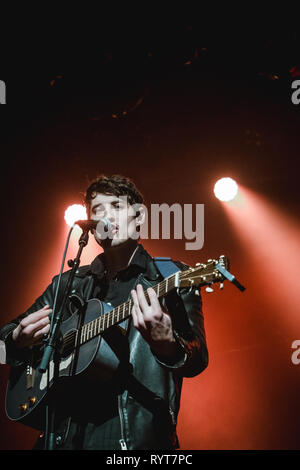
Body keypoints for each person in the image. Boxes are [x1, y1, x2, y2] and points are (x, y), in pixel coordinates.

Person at [0, 174, 208, 450]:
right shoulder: (68, 283)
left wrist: (167, 344)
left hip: (133, 440)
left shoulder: (170, 277)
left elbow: (197, 360)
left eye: (116, 207)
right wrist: (16, 339)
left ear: (139, 217)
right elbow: (1, 347)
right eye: (97, 211)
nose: (105, 217)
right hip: (62, 438)